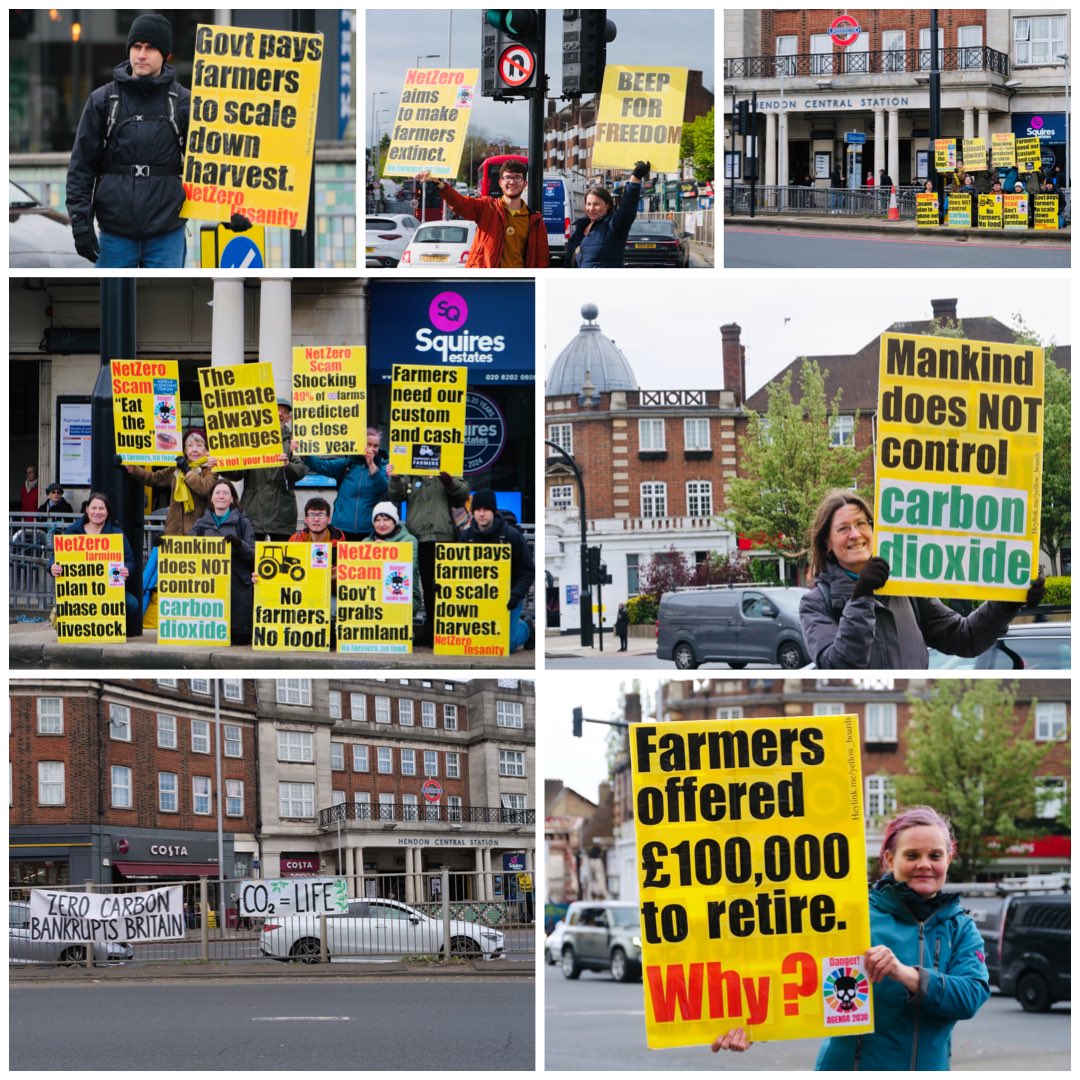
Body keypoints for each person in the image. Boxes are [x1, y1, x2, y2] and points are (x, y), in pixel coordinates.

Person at [712, 805, 991, 1070]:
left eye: (935, 855)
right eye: (912, 855)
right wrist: (754, 1027)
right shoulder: (853, 916)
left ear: (949, 858)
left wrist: (904, 973)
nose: (924, 864)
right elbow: (797, 976)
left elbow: (970, 996)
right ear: (890, 859)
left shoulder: (961, 928)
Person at [798, 490, 1044, 669]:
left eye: (861, 523)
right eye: (843, 529)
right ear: (827, 543)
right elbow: (839, 666)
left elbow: (964, 637)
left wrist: (1007, 602)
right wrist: (862, 596)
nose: (855, 534)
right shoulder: (815, 604)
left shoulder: (906, 587)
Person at [66, 14, 191, 268]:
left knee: (165, 304)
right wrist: (81, 223)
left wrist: (231, 212)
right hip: (115, 236)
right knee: (112, 306)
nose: (141, 55)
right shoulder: (102, 100)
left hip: (167, 233)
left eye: (150, 47)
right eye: (136, 46)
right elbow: (81, 167)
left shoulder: (183, 103)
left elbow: (211, 165)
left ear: (166, 55)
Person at [387, 468, 470, 647]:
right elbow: (396, 495)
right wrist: (394, 478)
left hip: (446, 536)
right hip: (421, 537)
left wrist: (449, 481)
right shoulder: (409, 471)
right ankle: (432, 629)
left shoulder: (448, 466)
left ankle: (445, 630)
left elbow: (464, 491)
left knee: (445, 588)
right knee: (427, 585)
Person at [417, 160, 550, 268]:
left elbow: (541, 261)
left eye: (517, 177)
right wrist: (438, 183)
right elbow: (460, 203)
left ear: (525, 183)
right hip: (484, 282)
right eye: (507, 177)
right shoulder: (487, 207)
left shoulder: (535, 220)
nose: (512, 181)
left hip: (517, 286)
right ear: (500, 183)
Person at [220, 399, 309, 541]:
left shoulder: (294, 442)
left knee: (280, 558)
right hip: (253, 512)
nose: (280, 413)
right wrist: (220, 464)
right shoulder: (252, 440)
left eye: (284, 411)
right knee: (250, 556)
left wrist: (288, 465)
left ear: (289, 418)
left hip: (282, 514)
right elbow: (237, 473)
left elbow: (301, 470)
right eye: (276, 409)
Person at [50, 491, 140, 631]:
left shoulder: (117, 534)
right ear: (87, 509)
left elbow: (130, 561)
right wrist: (52, 567)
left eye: (101, 508)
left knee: (131, 603)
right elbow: (55, 557)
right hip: (79, 590)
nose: (97, 512)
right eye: (94, 508)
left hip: (109, 590)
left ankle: (108, 628)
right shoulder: (72, 531)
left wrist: (126, 569)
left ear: (107, 512)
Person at [460, 488, 534, 652]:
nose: (481, 514)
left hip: (508, 599)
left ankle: (526, 628)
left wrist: (516, 594)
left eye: (485, 509)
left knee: (503, 646)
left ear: (493, 511)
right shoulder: (466, 538)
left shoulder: (511, 536)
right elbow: (455, 569)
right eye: (477, 510)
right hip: (477, 599)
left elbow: (527, 570)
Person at [191, 479, 256, 645]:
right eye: (217, 493)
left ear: (232, 499)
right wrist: (162, 544)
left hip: (237, 587)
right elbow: (186, 551)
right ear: (211, 499)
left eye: (225, 493)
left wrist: (239, 543)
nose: (221, 496)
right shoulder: (200, 525)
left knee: (240, 638)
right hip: (210, 587)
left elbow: (254, 555)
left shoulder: (243, 523)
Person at [297, 428, 388, 541]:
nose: (372, 449)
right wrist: (305, 454)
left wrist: (371, 464)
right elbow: (321, 465)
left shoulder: (383, 467)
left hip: (369, 530)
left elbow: (383, 487)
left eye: (375, 446)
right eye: (368, 444)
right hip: (341, 529)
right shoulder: (348, 463)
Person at [124, 427, 218, 535]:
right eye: (190, 446)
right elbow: (155, 478)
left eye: (199, 446)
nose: (194, 449)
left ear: (206, 450)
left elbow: (205, 489)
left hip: (198, 534)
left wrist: (187, 471)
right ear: (185, 451)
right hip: (173, 533)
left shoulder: (210, 469)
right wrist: (133, 469)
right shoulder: (177, 468)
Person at [565, 161, 650, 268]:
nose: (591, 208)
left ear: (608, 205)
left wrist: (635, 179)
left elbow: (627, 209)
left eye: (596, 204)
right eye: (588, 204)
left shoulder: (613, 226)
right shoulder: (580, 229)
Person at [363, 501, 422, 619]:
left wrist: (386, 550)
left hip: (404, 596)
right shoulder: (366, 542)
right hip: (374, 597)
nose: (381, 524)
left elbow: (408, 569)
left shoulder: (409, 540)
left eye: (386, 520)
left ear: (394, 521)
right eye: (377, 520)